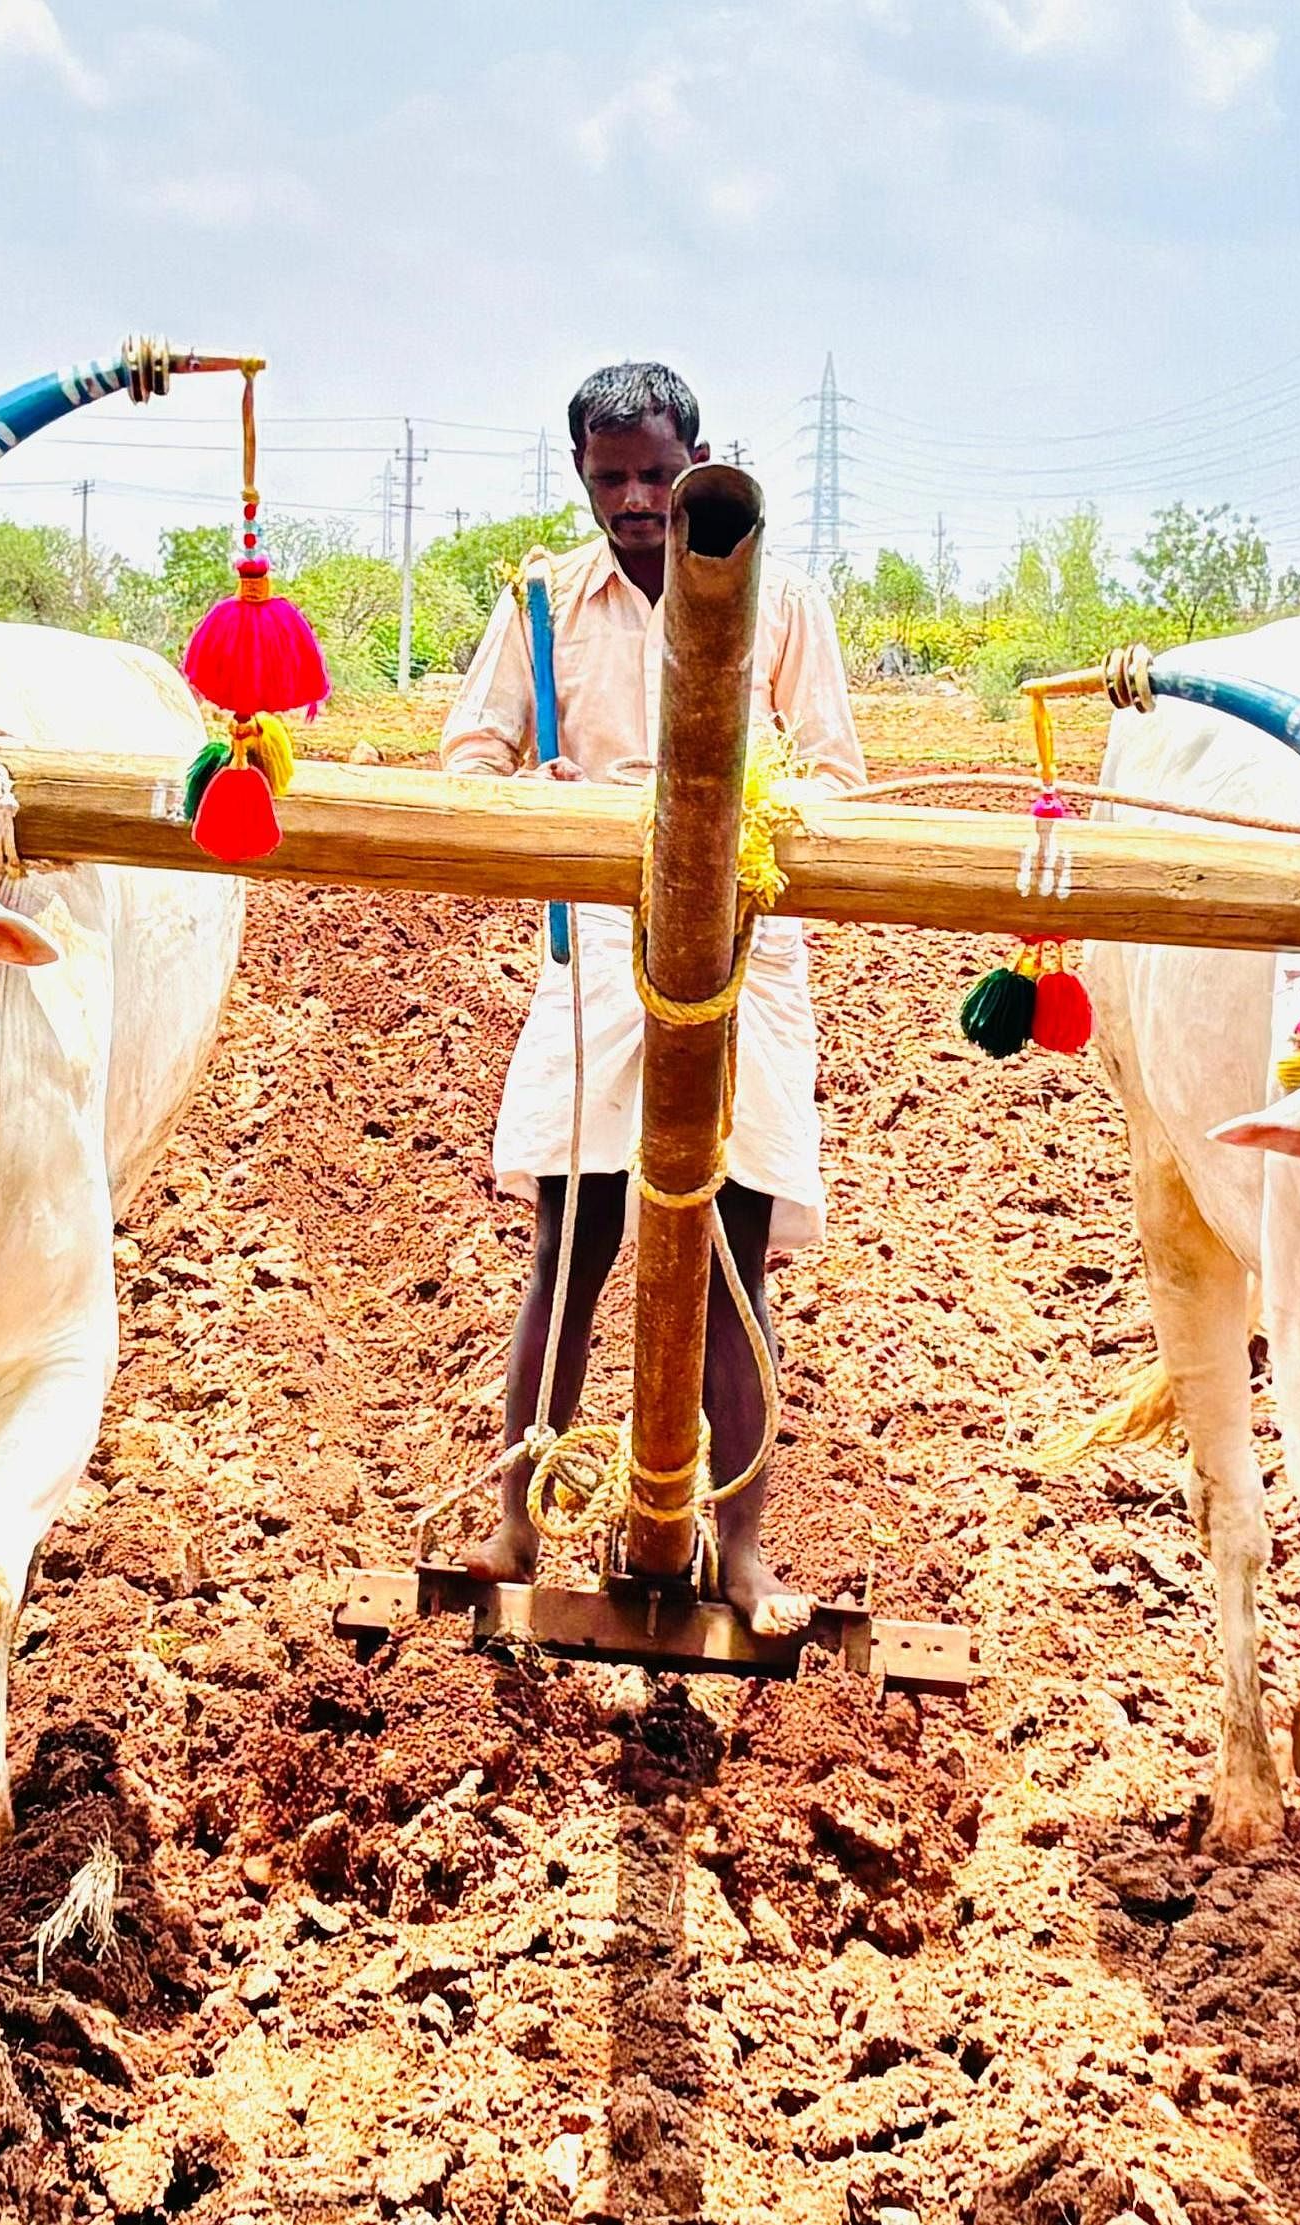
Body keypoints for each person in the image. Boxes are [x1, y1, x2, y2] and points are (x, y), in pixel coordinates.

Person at [438, 361, 864, 1634]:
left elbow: (835, 777)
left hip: (746, 965)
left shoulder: (782, 606)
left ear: (700, 461)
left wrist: (762, 814)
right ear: (578, 474)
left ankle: (741, 1545)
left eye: (656, 474)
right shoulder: (538, 606)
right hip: (595, 975)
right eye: (609, 475)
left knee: (736, 1257)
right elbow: (471, 760)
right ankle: (521, 1515)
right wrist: (545, 798)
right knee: (572, 1247)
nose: (633, 500)